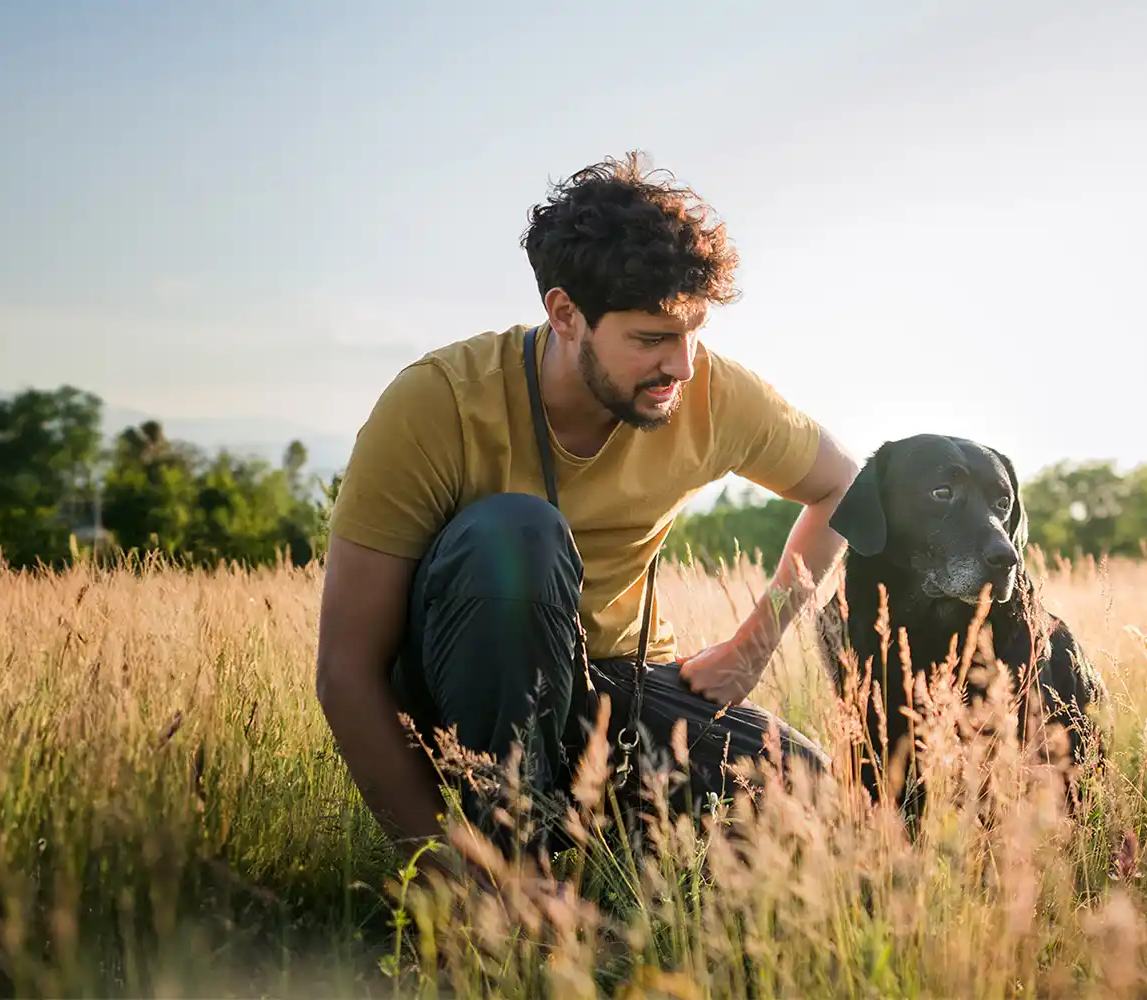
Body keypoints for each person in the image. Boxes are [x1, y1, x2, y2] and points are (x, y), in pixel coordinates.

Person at [314, 152, 857, 859]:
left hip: (618, 685)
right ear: (565, 314)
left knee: (808, 789)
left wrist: (753, 646)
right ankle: (511, 862)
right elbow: (346, 671)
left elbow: (841, 484)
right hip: (464, 693)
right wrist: (446, 872)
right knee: (518, 535)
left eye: (693, 333)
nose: (682, 366)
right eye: (651, 338)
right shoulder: (438, 401)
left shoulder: (712, 393)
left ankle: (610, 839)